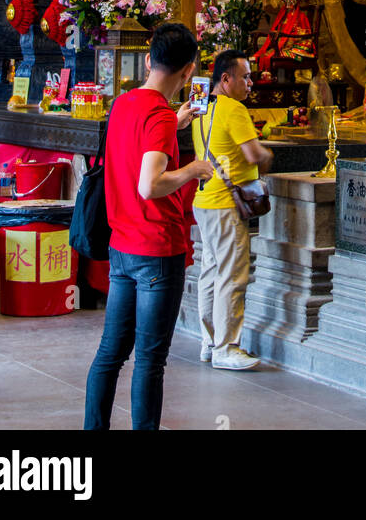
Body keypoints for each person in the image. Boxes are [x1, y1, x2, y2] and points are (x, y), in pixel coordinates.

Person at [84, 22, 212, 431]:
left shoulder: (124, 104)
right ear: (189, 70)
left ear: (147, 60)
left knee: (110, 353)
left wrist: (174, 121)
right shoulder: (157, 116)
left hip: (121, 246)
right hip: (156, 249)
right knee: (150, 360)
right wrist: (193, 168)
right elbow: (150, 184)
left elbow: (141, 137)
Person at [191, 50, 274, 370]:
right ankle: (227, 347)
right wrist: (267, 153)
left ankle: (209, 342)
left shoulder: (199, 103)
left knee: (211, 273)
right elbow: (254, 154)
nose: (251, 83)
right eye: (246, 77)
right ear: (225, 79)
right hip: (227, 204)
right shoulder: (235, 109)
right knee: (233, 276)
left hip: (204, 200)